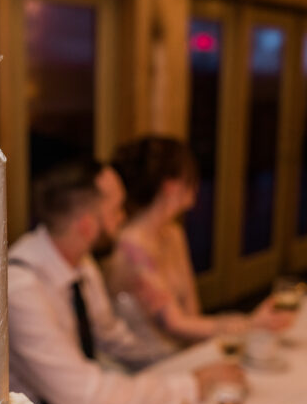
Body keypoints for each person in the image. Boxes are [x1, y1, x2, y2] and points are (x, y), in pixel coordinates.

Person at [7, 158, 246, 404]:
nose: (123, 218)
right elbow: (87, 396)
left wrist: (183, 362)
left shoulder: (80, 262)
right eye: (116, 210)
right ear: (86, 225)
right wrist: (191, 384)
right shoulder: (21, 289)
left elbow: (113, 338)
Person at [106, 137, 293, 356]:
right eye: (191, 177)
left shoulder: (173, 233)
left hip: (182, 350)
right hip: (149, 362)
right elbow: (173, 324)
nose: (198, 184)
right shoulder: (132, 249)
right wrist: (250, 324)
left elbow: (192, 312)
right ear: (171, 186)